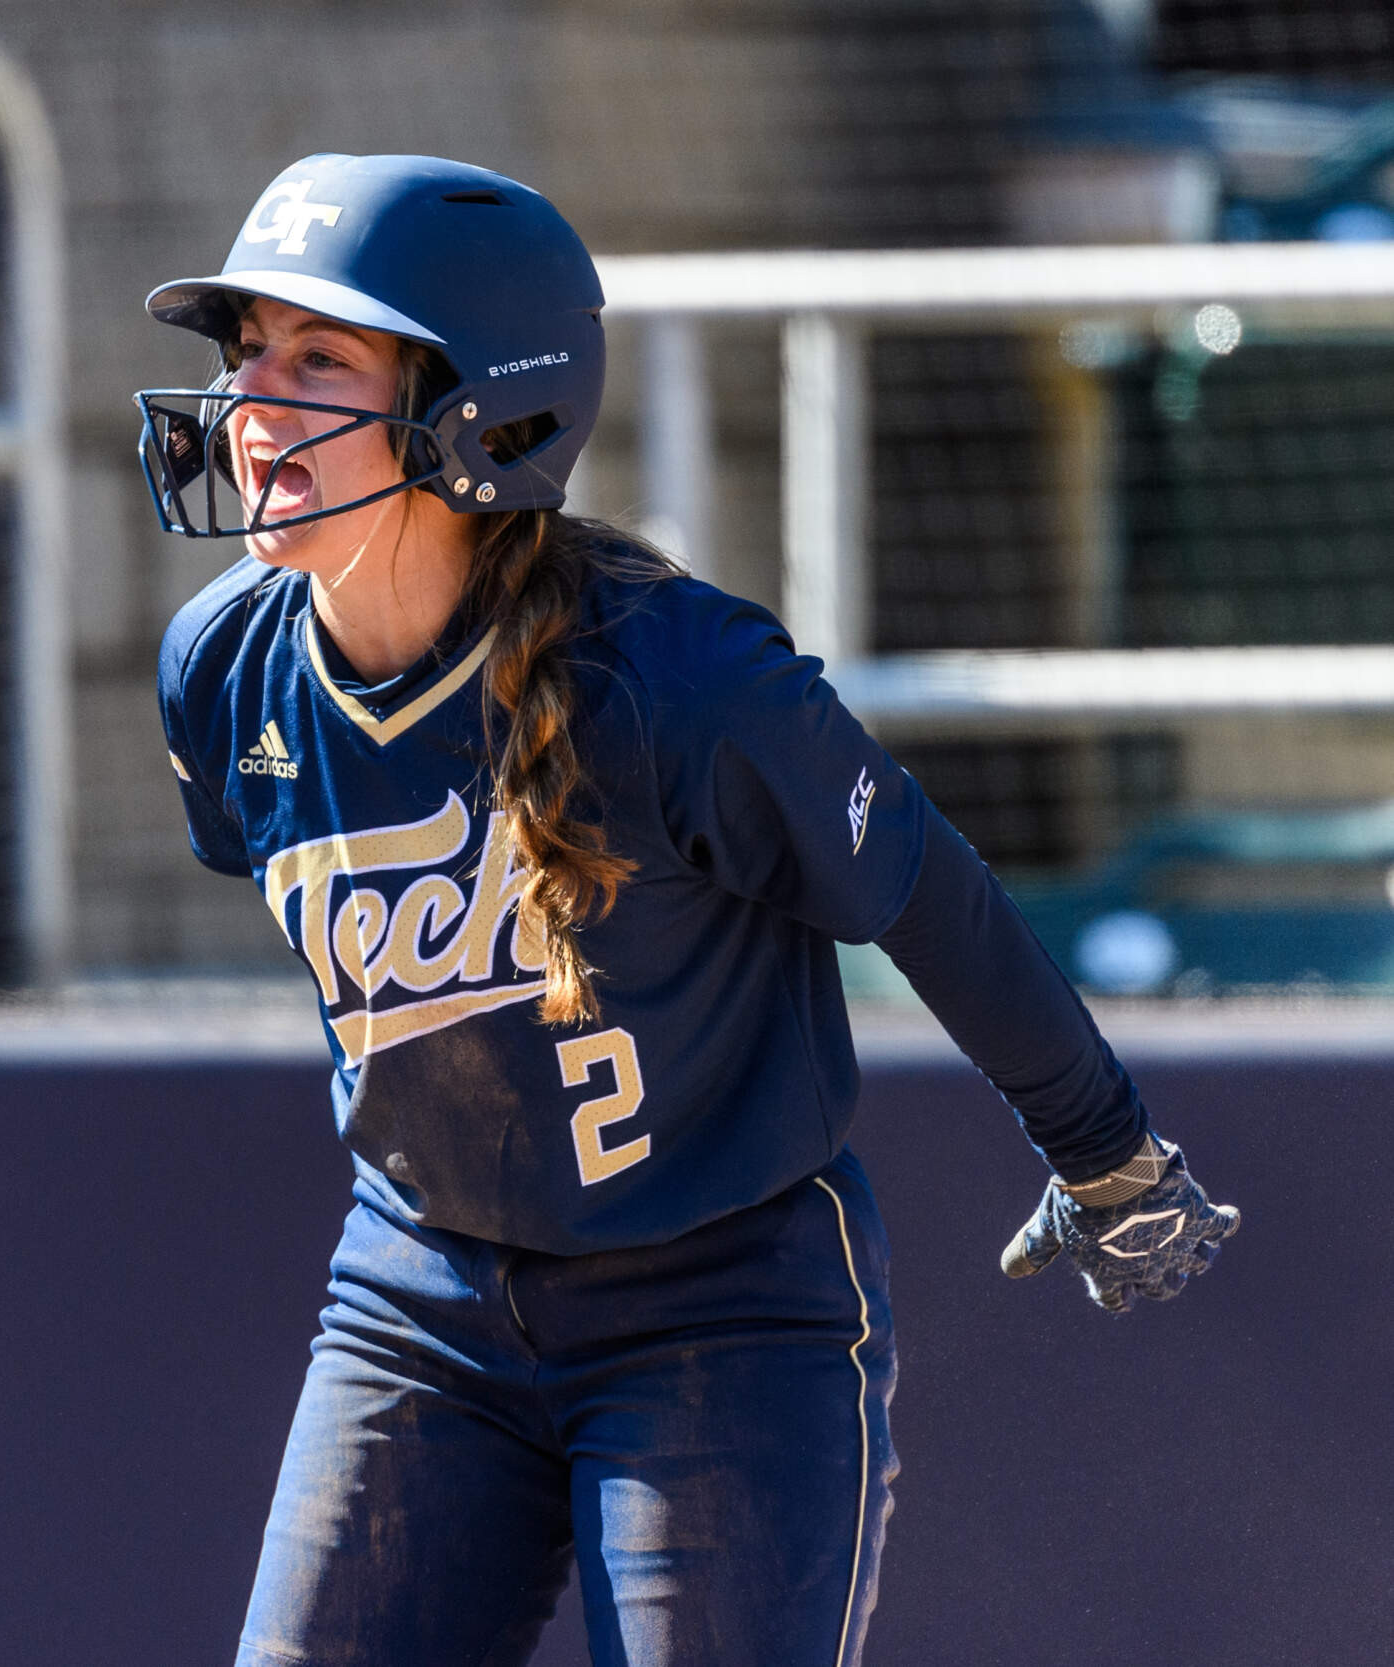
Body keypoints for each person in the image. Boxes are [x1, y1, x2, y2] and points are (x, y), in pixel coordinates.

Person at [134, 153, 1240, 1667]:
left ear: (478, 413)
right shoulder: (221, 671)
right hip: (420, 1301)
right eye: (246, 350)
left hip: (718, 1310)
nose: (251, 402)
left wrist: (1105, 1151)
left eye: (318, 358)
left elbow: (926, 892)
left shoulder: (681, 680)